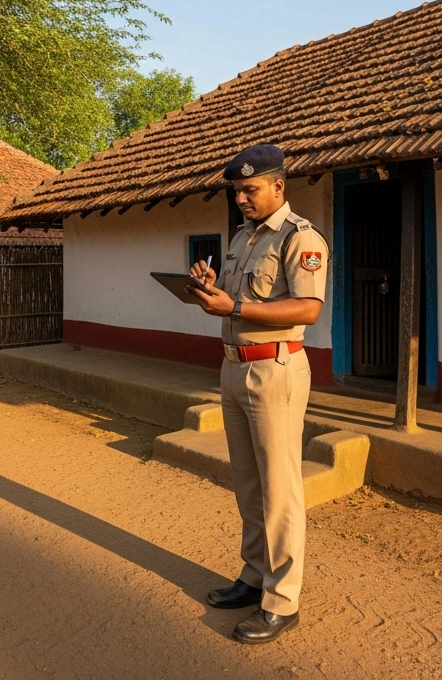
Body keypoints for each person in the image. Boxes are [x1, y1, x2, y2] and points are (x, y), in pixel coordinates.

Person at [187, 143, 328, 644]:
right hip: (233, 369)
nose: (242, 199)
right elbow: (231, 300)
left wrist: (236, 307)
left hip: (275, 370)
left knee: (280, 488)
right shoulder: (243, 238)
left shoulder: (300, 238)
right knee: (247, 483)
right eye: (237, 191)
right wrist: (208, 287)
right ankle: (252, 577)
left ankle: (282, 599)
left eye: (250, 189)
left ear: (278, 186)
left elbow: (308, 308)